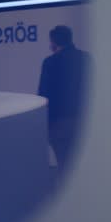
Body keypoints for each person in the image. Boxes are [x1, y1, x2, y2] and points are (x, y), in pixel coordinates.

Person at [38, 25, 91, 172]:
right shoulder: (86, 59)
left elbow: (43, 95)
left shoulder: (50, 62)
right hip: (83, 121)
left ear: (54, 42)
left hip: (59, 124)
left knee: (65, 166)